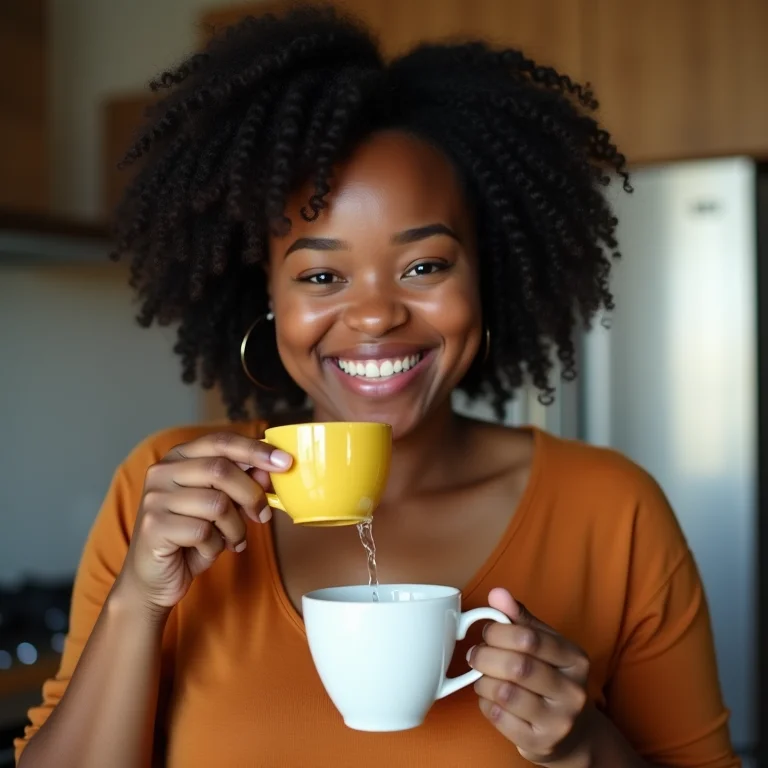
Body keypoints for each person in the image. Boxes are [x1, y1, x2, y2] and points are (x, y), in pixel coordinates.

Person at [16, 6, 739, 768]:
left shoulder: (613, 513)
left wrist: (586, 745)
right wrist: (138, 603)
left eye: (424, 266)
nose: (373, 315)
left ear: (486, 277)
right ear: (268, 295)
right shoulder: (164, 495)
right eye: (320, 275)